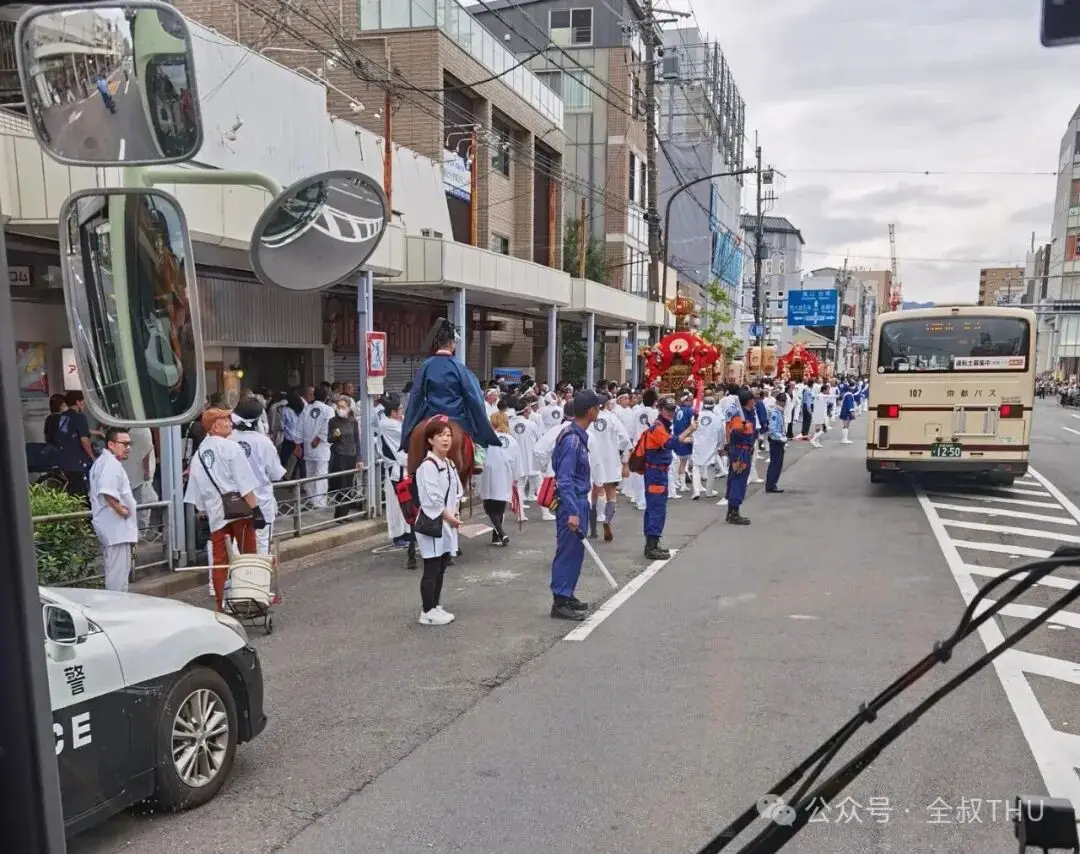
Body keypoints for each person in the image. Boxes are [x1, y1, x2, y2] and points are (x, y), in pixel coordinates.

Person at [184, 407, 266, 610]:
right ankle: (250, 596)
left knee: (220, 560)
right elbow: (244, 482)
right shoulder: (231, 448)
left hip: (216, 514)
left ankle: (221, 604)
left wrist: (205, 510)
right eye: (225, 419)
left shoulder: (199, 454)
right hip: (239, 510)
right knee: (248, 555)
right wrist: (256, 510)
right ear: (214, 426)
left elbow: (196, 494)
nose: (230, 422)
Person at [399, 319, 500, 459]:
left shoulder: (426, 366)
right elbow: (473, 396)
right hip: (456, 416)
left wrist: (408, 428)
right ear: (452, 344)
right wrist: (480, 422)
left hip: (431, 415)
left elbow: (416, 395)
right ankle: (477, 460)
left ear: (437, 344)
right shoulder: (459, 366)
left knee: (415, 437)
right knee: (471, 442)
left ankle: (410, 457)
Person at [549, 390, 601, 621]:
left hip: (579, 499)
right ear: (590, 411)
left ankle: (567, 594)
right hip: (572, 501)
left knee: (576, 551)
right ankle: (560, 600)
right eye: (597, 407)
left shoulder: (575, 435)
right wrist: (571, 511)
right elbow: (565, 478)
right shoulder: (572, 440)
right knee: (568, 551)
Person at [414, 417, 464, 626]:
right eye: (440, 435)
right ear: (430, 440)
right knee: (432, 566)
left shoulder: (449, 463)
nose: (445, 439)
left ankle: (435, 605)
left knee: (442, 565)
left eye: (448, 435)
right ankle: (427, 611)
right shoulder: (428, 466)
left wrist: (455, 514)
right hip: (433, 522)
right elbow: (432, 498)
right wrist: (449, 516)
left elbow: (457, 491)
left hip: (446, 521)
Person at [641, 397, 697, 560]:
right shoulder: (658, 427)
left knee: (655, 508)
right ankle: (651, 546)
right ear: (660, 409)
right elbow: (670, 443)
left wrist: (686, 437)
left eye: (673, 409)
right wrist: (689, 430)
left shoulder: (663, 426)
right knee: (656, 509)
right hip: (655, 473)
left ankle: (653, 543)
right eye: (668, 409)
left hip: (658, 472)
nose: (671, 412)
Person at [230, 398, 286, 554]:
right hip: (261, 503)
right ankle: (259, 578)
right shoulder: (264, 442)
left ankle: (236, 577)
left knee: (235, 545)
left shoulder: (228, 438)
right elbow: (276, 474)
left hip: (233, 503)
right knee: (261, 545)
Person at [88, 427, 138, 592]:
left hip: (110, 526)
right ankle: (115, 610)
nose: (128, 448)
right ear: (111, 444)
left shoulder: (102, 462)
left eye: (129, 444)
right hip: (116, 528)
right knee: (118, 576)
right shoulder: (111, 464)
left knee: (115, 572)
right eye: (124, 444)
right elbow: (106, 491)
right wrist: (122, 510)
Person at [587, 393, 630, 541]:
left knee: (594, 493)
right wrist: (618, 451)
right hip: (611, 460)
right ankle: (607, 520)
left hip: (594, 460)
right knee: (611, 494)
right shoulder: (612, 418)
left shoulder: (590, 419)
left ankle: (592, 528)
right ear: (606, 405)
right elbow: (624, 439)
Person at [480, 410, 521, 546]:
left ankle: (501, 533)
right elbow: (516, 460)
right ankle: (496, 535)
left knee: (489, 507)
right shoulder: (512, 440)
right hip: (506, 474)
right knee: (500, 507)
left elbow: (481, 456)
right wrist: (515, 477)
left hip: (489, 474)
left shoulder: (487, 438)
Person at [377, 394, 411, 548]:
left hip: (404, 468)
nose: (402, 413)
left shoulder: (393, 422)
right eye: (400, 410)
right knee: (396, 504)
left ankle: (408, 532)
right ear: (393, 412)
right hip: (394, 470)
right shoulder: (388, 424)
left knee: (407, 502)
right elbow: (406, 432)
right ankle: (398, 536)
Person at [725, 390, 757, 525]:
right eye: (753, 399)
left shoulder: (749, 413)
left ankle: (732, 510)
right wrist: (742, 427)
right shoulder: (739, 414)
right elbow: (735, 429)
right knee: (738, 480)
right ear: (748, 401)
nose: (754, 401)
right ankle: (733, 512)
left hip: (746, 449)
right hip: (740, 452)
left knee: (739, 480)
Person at [328, 397, 361, 520]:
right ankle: (339, 514)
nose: (340, 409)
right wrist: (335, 435)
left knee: (349, 484)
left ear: (348, 408)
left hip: (351, 456)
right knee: (341, 484)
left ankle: (345, 513)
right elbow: (329, 439)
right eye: (338, 407)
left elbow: (357, 441)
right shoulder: (333, 421)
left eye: (343, 407)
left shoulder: (353, 422)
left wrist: (359, 458)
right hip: (339, 455)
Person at [302, 386, 334, 508]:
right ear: (326, 397)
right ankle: (319, 502)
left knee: (310, 473)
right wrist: (319, 438)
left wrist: (298, 442)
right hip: (320, 446)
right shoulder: (328, 409)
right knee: (321, 473)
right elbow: (328, 425)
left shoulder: (307, 409)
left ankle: (311, 499)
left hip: (308, 445)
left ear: (315, 396)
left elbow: (301, 426)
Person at [690, 397, 723, 499]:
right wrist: (720, 444)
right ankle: (709, 491)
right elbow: (720, 433)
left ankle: (696, 491)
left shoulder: (695, 417)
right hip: (711, 445)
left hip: (698, 444)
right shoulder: (717, 418)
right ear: (713, 406)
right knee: (711, 468)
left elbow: (691, 430)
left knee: (696, 467)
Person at [765, 392, 788, 494]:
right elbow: (772, 429)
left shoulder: (780, 412)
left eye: (784, 401)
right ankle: (770, 485)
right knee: (775, 464)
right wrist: (780, 437)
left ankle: (773, 484)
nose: (783, 403)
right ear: (777, 401)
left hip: (779, 440)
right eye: (782, 401)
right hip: (775, 441)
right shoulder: (775, 413)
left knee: (778, 464)